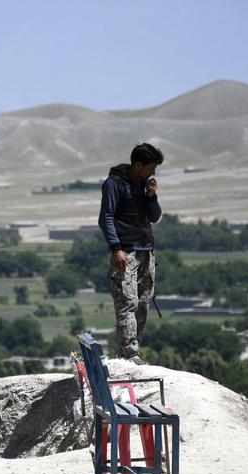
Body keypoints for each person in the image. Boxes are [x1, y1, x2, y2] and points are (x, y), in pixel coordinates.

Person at [97, 142, 164, 364]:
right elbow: (105, 217)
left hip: (147, 251)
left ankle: (134, 351)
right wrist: (116, 249)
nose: (153, 172)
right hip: (125, 252)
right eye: (150, 168)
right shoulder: (114, 184)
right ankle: (130, 353)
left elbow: (154, 217)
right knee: (127, 302)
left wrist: (151, 197)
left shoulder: (144, 186)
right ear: (137, 164)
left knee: (144, 303)